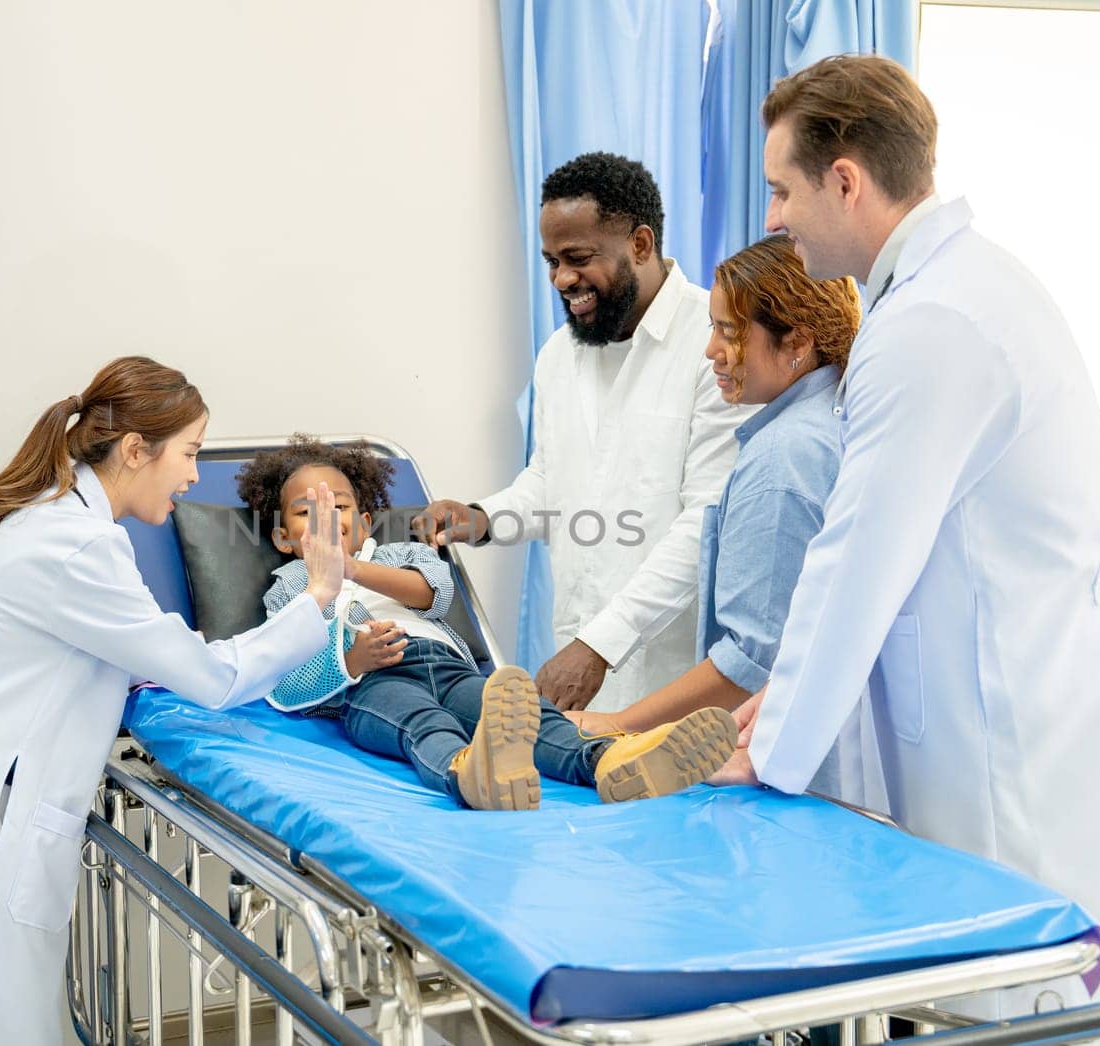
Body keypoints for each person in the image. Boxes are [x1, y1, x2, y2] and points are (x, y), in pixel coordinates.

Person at [712, 54, 1100, 1019]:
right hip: (1026, 697)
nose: (773, 218)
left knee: (1038, 999)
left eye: (782, 190)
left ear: (846, 179)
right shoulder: (951, 291)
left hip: (1018, 736)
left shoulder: (935, 323)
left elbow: (857, 558)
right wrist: (783, 709)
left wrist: (776, 743)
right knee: (1061, 993)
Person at [0, 358, 347, 1044]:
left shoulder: (51, 521)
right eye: (188, 453)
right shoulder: (78, 546)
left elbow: (85, 653)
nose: (193, 474)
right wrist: (318, 598)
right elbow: (212, 679)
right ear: (135, 451)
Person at [239, 436, 737, 811]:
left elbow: (433, 592)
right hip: (370, 682)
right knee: (421, 722)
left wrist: (350, 568)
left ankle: (611, 761)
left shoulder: (397, 555)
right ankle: (469, 772)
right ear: (284, 538)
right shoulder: (289, 587)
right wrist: (351, 658)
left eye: (340, 506)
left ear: (365, 522)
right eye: (308, 512)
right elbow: (285, 670)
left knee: (529, 716)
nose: (328, 517)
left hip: (448, 667)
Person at [416, 152, 746, 713]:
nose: (562, 279)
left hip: (676, 678)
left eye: (577, 258)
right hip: (579, 663)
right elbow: (553, 483)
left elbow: (706, 524)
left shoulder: (712, 346)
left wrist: (600, 643)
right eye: (550, 261)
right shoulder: (559, 355)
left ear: (640, 245)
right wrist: (483, 517)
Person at [566, 236, 882, 809]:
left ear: (798, 343)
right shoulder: (829, 419)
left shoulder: (783, 456)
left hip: (787, 768)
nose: (710, 349)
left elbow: (750, 659)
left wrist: (620, 723)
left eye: (730, 332)